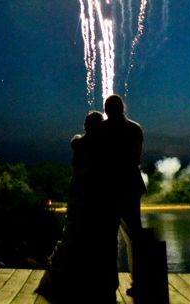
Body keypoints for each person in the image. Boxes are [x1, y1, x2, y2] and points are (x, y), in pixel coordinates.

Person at [36, 111, 118, 304]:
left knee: (76, 235)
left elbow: (77, 147)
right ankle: (94, 282)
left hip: (79, 195)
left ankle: (72, 279)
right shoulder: (103, 147)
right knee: (95, 238)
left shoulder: (80, 143)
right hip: (94, 197)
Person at [100, 94, 146, 298]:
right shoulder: (135, 129)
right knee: (134, 237)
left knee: (107, 239)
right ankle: (139, 282)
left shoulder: (102, 130)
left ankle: (109, 284)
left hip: (109, 188)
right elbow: (135, 158)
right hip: (130, 186)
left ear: (107, 109)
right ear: (123, 108)